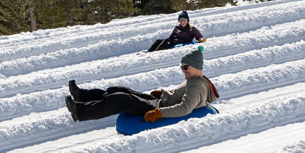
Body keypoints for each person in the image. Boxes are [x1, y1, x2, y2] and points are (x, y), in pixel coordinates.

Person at [66, 45, 218, 123]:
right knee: (118, 89)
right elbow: (180, 94)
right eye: (182, 67)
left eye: (186, 67)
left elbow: (185, 108)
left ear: (197, 67)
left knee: (120, 98)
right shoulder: (194, 80)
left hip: (157, 107)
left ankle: (79, 112)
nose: (183, 70)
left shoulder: (196, 85)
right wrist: (164, 92)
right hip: (158, 101)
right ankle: (82, 95)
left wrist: (159, 113)